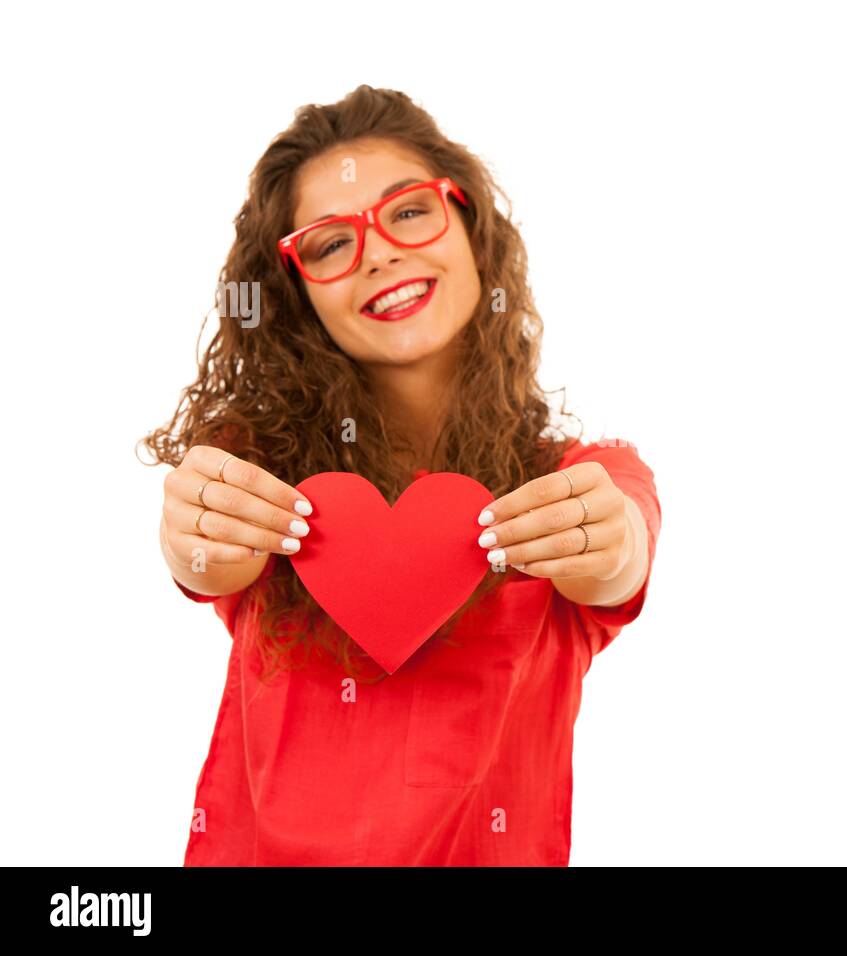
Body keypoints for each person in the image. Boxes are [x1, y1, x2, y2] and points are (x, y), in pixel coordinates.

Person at [138, 85, 661, 866]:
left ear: (471, 225)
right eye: (328, 243)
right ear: (296, 297)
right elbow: (210, 559)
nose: (378, 250)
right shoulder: (262, 471)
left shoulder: (576, 486)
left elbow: (621, 556)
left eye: (409, 210)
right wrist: (192, 544)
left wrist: (616, 552)